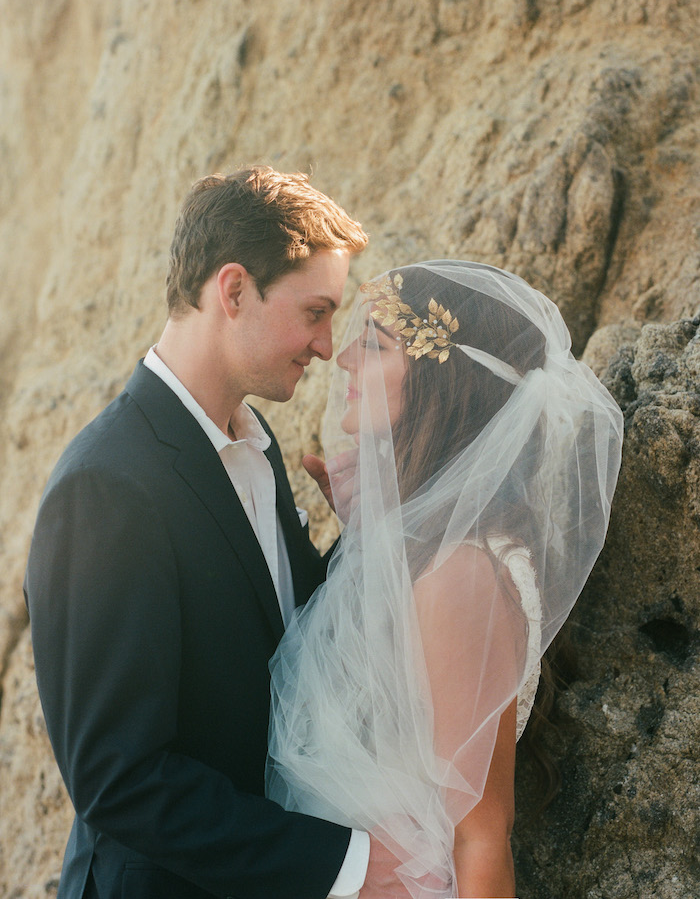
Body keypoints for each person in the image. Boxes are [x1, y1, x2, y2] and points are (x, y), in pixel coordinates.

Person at [23, 167, 410, 899]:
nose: (328, 345)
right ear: (232, 291)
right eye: (315, 312)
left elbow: (283, 646)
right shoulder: (105, 486)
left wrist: (365, 537)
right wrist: (342, 865)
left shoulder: (254, 440)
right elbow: (120, 779)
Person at [266, 260, 624, 898]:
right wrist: (370, 534)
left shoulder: (463, 572)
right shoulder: (431, 552)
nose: (343, 358)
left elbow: (481, 832)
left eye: (374, 345)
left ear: (441, 381)